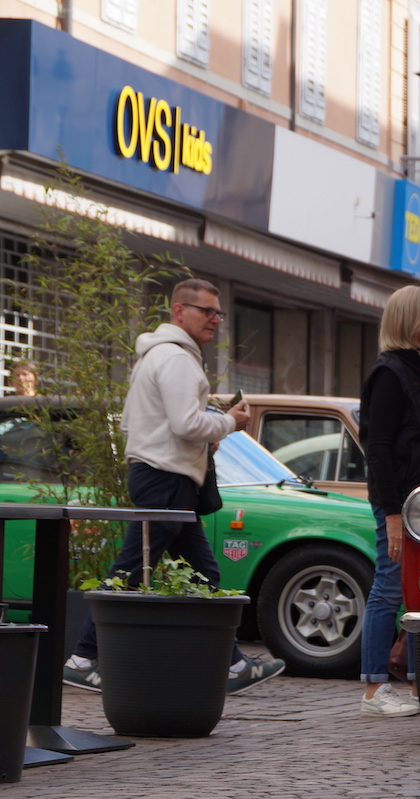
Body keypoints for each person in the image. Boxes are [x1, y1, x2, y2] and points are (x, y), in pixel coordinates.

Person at [63, 279, 285, 694]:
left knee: (202, 572)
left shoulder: (154, 357)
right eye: (207, 312)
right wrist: (229, 422)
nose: (216, 320)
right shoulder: (178, 359)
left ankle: (231, 663)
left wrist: (207, 430)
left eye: (218, 313)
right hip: (165, 477)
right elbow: (186, 424)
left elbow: (135, 424)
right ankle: (81, 657)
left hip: (162, 476)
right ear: (179, 311)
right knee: (131, 568)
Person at [359, 286, 420, 718]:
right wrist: (393, 513)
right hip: (402, 501)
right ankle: (373, 690)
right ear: (410, 324)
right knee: (389, 586)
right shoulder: (391, 373)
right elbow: (376, 448)